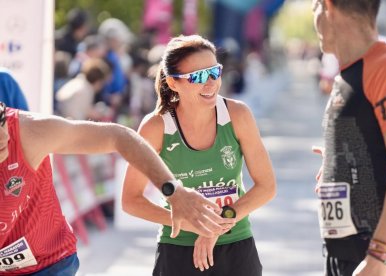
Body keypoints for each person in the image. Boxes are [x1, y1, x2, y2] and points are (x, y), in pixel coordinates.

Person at [0, 101, 232, 275]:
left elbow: (119, 137)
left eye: (0, 119)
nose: (2, 136)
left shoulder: (27, 131)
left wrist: (173, 190)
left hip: (47, 262)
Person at [122, 34, 276, 276]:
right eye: (198, 77)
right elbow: (131, 200)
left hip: (235, 247)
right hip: (178, 250)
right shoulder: (156, 127)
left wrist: (216, 225)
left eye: (215, 71)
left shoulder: (238, 114)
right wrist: (188, 222)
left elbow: (266, 186)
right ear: (173, 83)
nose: (211, 83)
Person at [311, 0, 386, 275]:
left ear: (327, 7)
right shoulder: (349, 74)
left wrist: (380, 254)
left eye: (314, 8)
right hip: (349, 255)